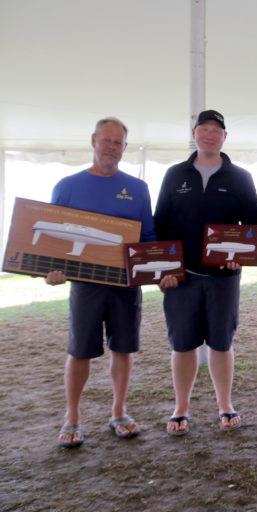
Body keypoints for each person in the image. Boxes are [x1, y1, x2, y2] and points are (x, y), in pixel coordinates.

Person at [47, 117, 155, 448]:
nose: (111, 147)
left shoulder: (137, 189)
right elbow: (53, 240)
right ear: (93, 140)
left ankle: (119, 412)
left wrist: (159, 268)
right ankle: (72, 418)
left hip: (125, 284)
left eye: (118, 142)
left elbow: (148, 237)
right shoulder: (67, 185)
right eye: (106, 140)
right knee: (80, 351)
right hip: (85, 285)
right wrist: (53, 270)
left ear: (124, 147)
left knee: (123, 348)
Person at [154, 109, 257, 436]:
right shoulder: (174, 175)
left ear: (224, 137)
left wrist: (238, 256)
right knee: (183, 345)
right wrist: (165, 270)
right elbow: (161, 224)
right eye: (204, 129)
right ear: (194, 133)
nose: (210, 135)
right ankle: (181, 408)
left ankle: (225, 405)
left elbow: (252, 225)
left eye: (217, 130)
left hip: (224, 278)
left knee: (221, 343)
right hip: (182, 276)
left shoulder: (240, 177)